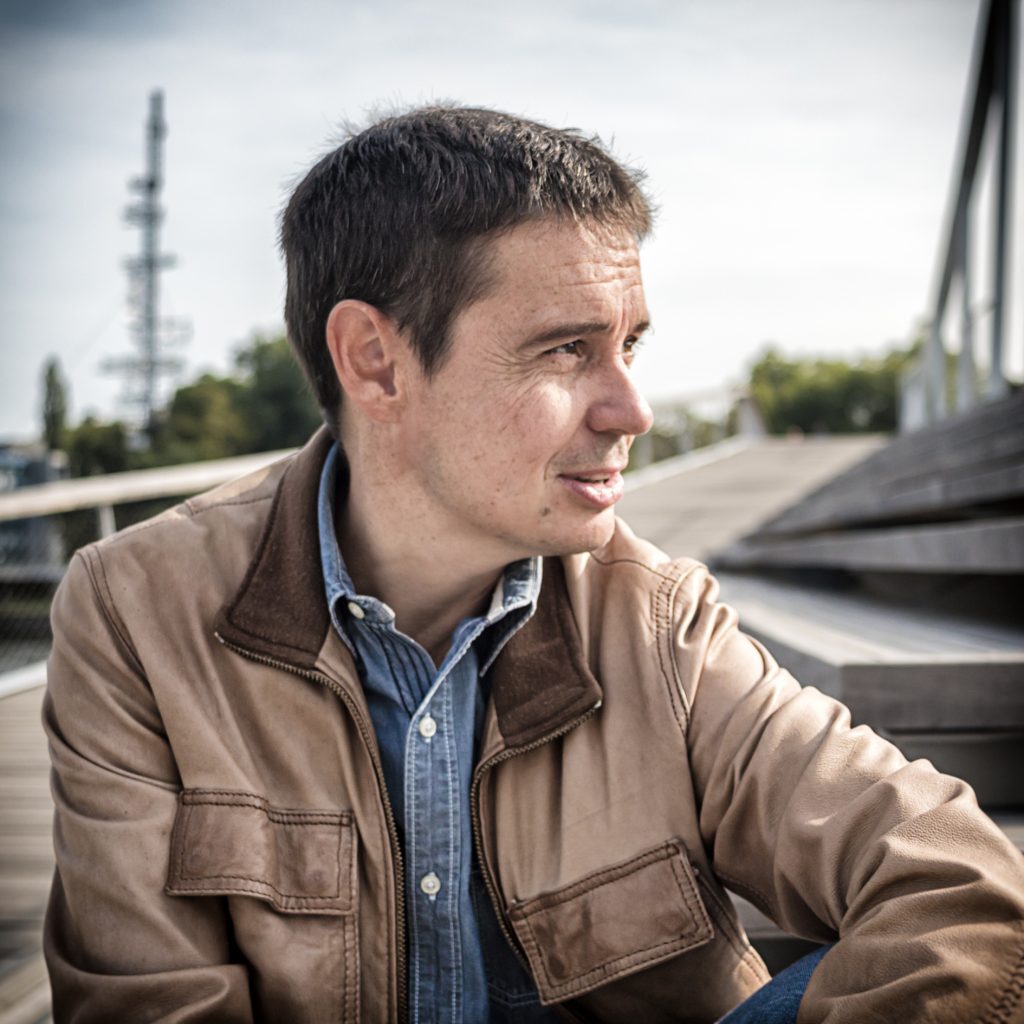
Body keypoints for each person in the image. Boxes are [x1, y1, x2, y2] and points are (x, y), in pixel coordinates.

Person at [43, 106, 1024, 1024]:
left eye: (629, 345)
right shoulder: (138, 609)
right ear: (374, 359)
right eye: (565, 350)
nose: (633, 410)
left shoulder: (661, 624)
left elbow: (966, 895)